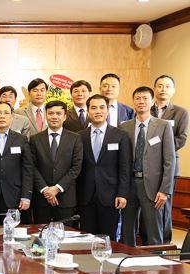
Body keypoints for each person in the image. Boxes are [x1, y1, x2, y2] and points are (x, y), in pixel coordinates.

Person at [121, 87, 175, 246]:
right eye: (137, 98)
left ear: (152, 102)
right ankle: (127, 261)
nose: (141, 102)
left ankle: (157, 265)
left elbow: (169, 160)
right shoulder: (124, 126)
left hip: (152, 186)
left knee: (154, 231)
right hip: (129, 184)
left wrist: (165, 190)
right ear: (133, 101)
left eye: (145, 98)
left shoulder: (163, 126)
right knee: (127, 229)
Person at [77, 94, 132, 238]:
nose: (98, 111)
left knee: (108, 238)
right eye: (93, 108)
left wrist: (122, 193)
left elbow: (125, 168)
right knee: (86, 237)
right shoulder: (79, 136)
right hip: (85, 196)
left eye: (102, 107)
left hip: (110, 195)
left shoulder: (120, 135)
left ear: (107, 110)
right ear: (88, 111)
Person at [0, 102, 33, 225]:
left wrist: (26, 196)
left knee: (14, 236)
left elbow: (27, 169)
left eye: (6, 113)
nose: (2, 116)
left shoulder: (21, 139)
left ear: (11, 117)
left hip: (15, 197)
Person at [29, 100, 83, 225]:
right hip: (42, 199)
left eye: (58, 113)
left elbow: (76, 167)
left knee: (67, 237)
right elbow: (32, 166)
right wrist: (46, 190)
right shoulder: (35, 139)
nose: (54, 117)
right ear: (45, 115)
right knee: (40, 237)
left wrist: (57, 188)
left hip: (66, 199)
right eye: (51, 113)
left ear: (64, 117)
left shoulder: (75, 138)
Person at [152, 74, 188, 243]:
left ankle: (164, 244)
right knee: (149, 206)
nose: (163, 89)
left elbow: (181, 139)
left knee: (164, 207)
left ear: (172, 90)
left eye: (167, 86)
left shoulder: (180, 112)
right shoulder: (146, 109)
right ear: (154, 89)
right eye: (160, 85)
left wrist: (157, 149)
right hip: (147, 167)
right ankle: (148, 242)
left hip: (169, 165)